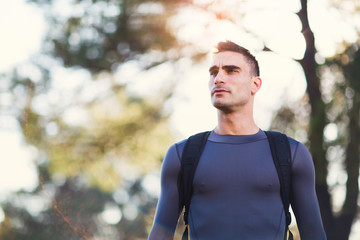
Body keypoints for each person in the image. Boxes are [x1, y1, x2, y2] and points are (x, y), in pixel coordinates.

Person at [148, 40, 326, 240]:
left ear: (255, 84)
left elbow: (314, 234)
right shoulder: (182, 155)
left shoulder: (291, 154)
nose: (218, 79)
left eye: (231, 71)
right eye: (214, 72)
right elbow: (160, 235)